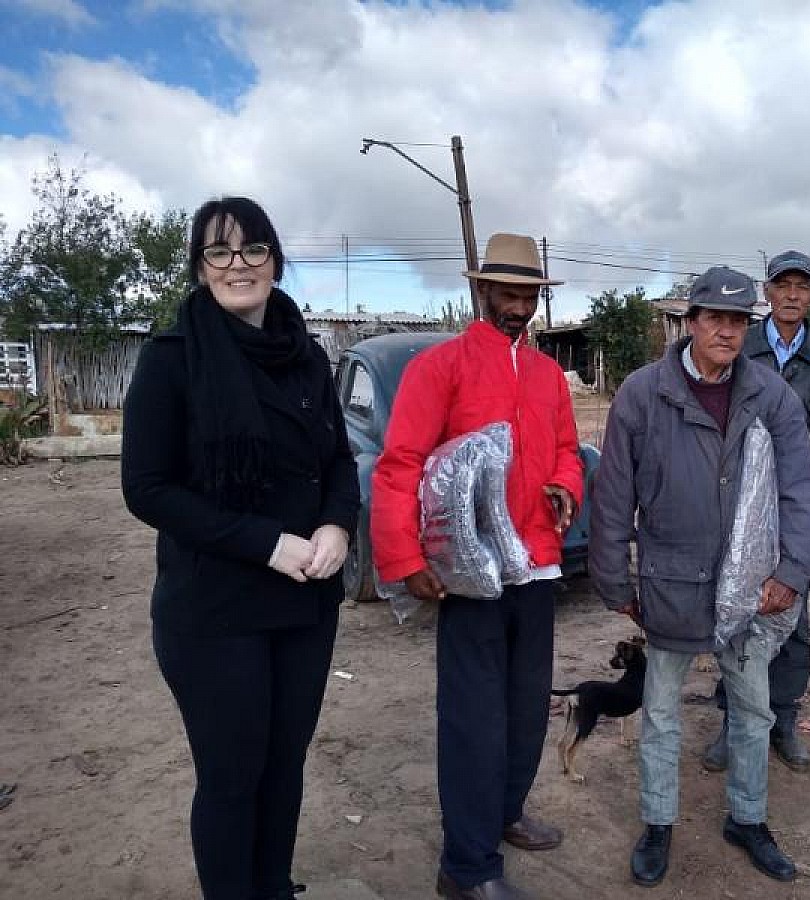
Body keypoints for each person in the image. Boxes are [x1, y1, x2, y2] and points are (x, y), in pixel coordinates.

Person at [122, 196, 359, 900]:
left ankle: (273, 887)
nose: (238, 264)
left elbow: (340, 462)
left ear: (275, 260)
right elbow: (149, 489)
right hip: (215, 610)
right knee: (232, 775)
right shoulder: (171, 362)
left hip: (305, 603)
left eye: (253, 248)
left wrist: (338, 526)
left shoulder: (306, 356)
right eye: (219, 251)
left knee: (284, 765)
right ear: (200, 268)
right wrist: (265, 544)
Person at [590, 267, 810, 887]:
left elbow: (801, 489)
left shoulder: (771, 396)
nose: (726, 331)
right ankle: (658, 822)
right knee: (662, 710)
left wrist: (793, 572)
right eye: (714, 318)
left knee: (752, 712)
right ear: (689, 322)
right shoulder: (643, 394)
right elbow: (613, 496)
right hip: (670, 583)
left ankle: (747, 818)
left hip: (750, 589)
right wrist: (617, 582)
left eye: (738, 321)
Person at [370, 233, 584, 900]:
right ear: (483, 292)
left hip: (536, 568)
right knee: (473, 719)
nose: (518, 307)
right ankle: (466, 865)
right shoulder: (441, 368)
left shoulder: (549, 376)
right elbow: (400, 465)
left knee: (526, 709)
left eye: (529, 296)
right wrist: (404, 558)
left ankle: (505, 812)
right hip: (469, 577)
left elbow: (568, 450)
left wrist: (565, 487)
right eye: (508, 294)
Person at [704, 249, 810, 773]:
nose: (791, 296)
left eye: (801, 287)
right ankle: (733, 717)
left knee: (793, 615)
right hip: (738, 501)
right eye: (782, 285)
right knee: (734, 606)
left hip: (799, 506)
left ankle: (782, 716)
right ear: (767, 292)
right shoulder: (742, 349)